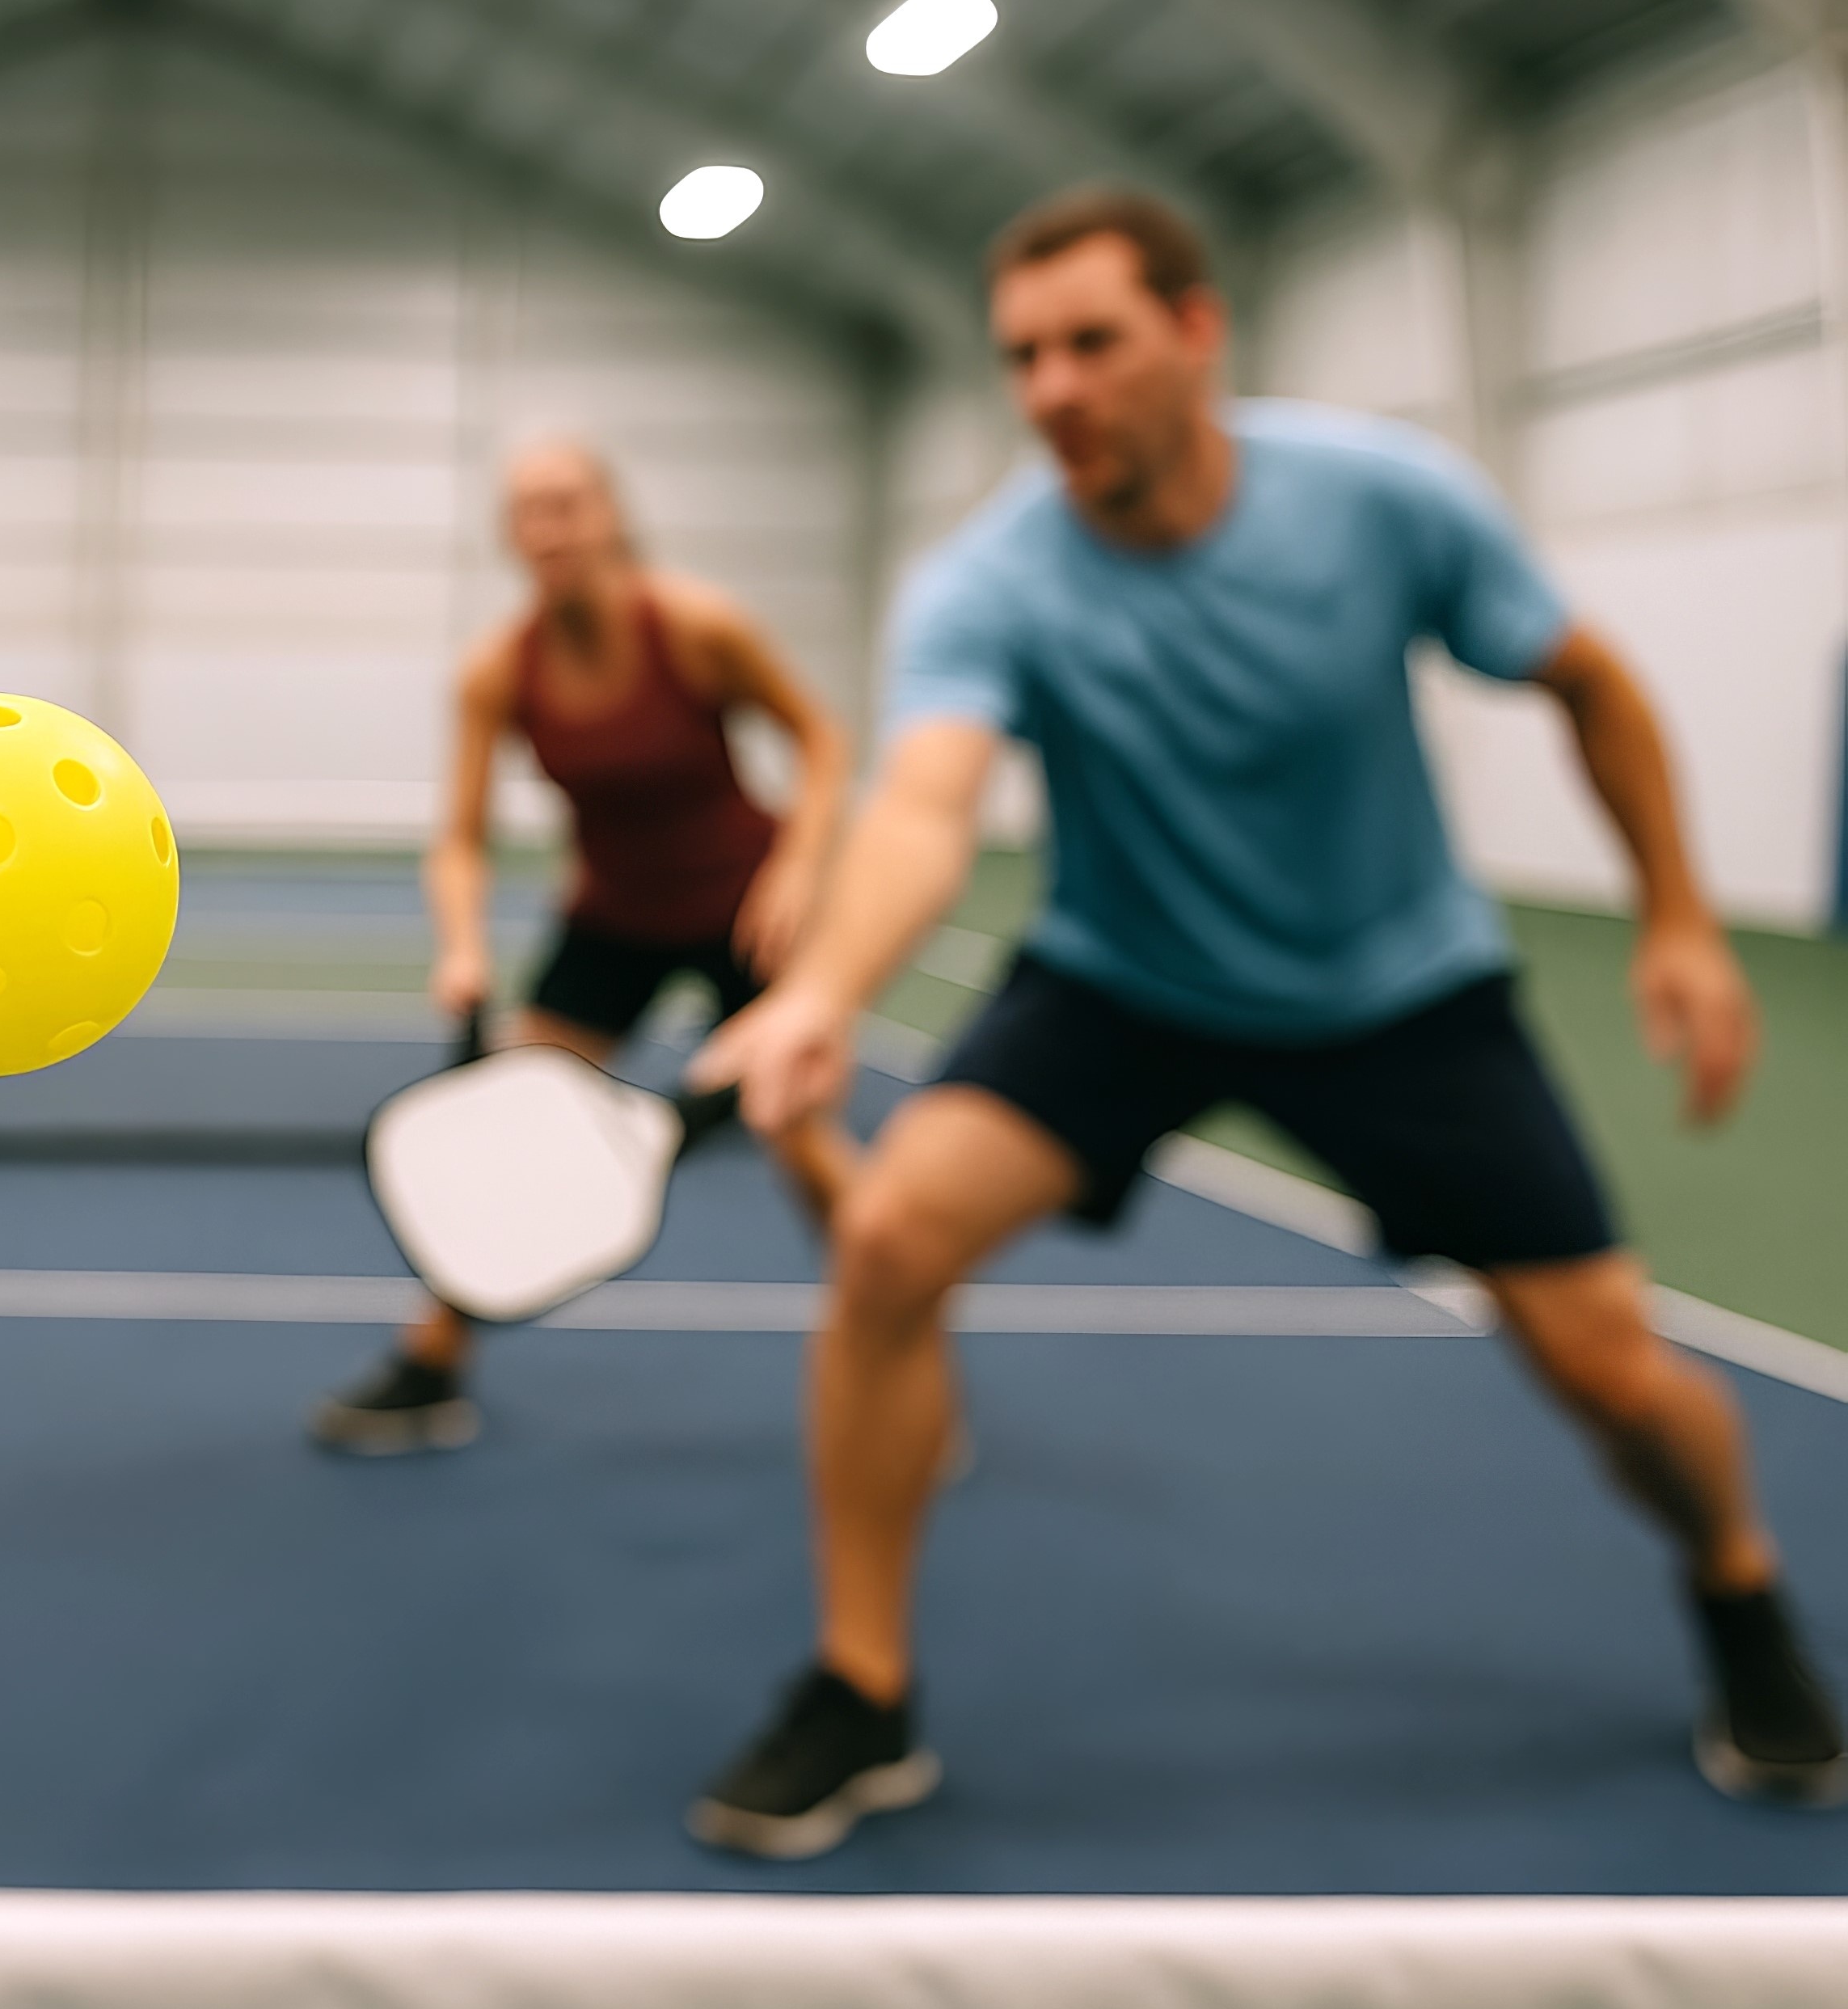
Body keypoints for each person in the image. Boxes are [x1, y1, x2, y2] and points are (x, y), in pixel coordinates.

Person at [687, 184, 1844, 1857]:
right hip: (1119, 982)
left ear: (1196, 332)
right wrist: (824, 992)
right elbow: (927, 804)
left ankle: (1738, 1585)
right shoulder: (989, 579)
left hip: (1396, 994)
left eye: (1094, 342)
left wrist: (1676, 916)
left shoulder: (1384, 501)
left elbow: (1590, 685)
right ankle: (861, 1692)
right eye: (1024, 356)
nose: (1055, 390)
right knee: (883, 1249)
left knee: (1609, 1375)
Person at [310, 438, 856, 1454]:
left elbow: (822, 743)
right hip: (611, 918)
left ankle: (892, 1354)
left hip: (747, 911)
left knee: (803, 1137)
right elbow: (460, 841)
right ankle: (433, 1366)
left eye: (566, 504)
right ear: (509, 538)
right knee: (506, 1136)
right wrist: (462, 947)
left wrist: (799, 870)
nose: (548, 528)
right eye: (527, 511)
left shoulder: (696, 628)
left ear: (610, 514)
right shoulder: (497, 672)